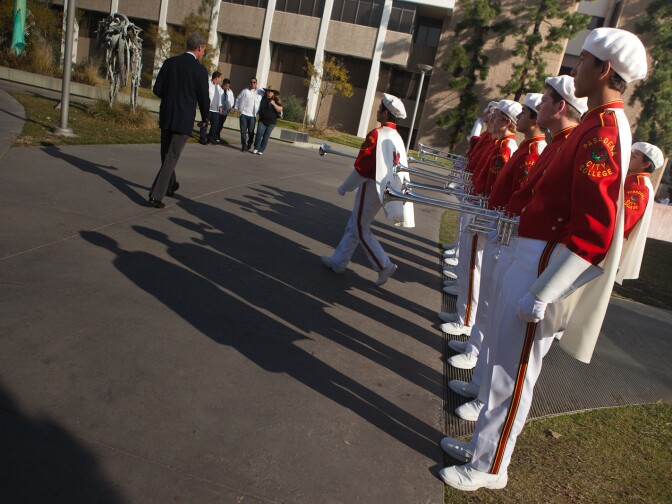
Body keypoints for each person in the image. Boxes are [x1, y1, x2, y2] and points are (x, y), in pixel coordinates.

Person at [438, 28, 647, 491]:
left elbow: (594, 229)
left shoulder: (605, 133)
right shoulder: (595, 125)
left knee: (513, 376)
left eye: (584, 61)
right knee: (499, 368)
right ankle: (480, 449)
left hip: (544, 265)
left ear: (605, 70)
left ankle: (491, 468)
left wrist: (543, 292)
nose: (576, 70)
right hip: (531, 254)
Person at [321, 93, 412, 286]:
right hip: (384, 189)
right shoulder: (397, 137)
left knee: (360, 228)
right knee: (355, 224)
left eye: (380, 109)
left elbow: (364, 166)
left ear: (386, 113)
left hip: (372, 186)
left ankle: (383, 265)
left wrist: (345, 186)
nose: (377, 112)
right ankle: (339, 261)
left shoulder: (377, 134)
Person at [148, 33, 209, 209]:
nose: (203, 52)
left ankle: (171, 184)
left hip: (167, 114)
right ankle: (156, 195)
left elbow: (157, 89)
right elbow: (203, 98)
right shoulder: (199, 70)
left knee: (166, 154)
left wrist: (170, 98)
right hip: (183, 119)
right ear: (199, 48)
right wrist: (205, 118)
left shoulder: (169, 63)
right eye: (204, 49)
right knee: (171, 156)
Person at [616, 141, 665, 283]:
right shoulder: (631, 179)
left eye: (634, 156)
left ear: (646, 164)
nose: (628, 156)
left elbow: (623, 221)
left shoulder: (638, 186)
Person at [234, 77, 263, 152]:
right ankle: (244, 146)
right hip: (244, 114)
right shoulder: (245, 91)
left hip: (252, 115)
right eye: (251, 82)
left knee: (251, 131)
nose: (253, 84)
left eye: (254, 82)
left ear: (256, 83)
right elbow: (238, 99)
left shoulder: (260, 92)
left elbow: (267, 97)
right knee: (243, 131)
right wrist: (236, 109)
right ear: (249, 83)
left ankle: (249, 143)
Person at [253, 87, 283, 155]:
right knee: (259, 134)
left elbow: (280, 109)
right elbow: (258, 89)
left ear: (273, 93)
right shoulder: (262, 98)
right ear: (266, 91)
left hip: (271, 123)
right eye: (268, 91)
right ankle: (256, 147)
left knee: (266, 137)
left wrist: (274, 104)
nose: (270, 92)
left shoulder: (276, 100)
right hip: (262, 120)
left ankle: (261, 150)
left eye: (271, 91)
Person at [199, 71, 223, 145]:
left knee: (215, 124)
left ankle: (210, 137)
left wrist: (220, 106)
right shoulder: (208, 84)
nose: (220, 80)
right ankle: (202, 138)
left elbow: (220, 98)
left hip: (215, 110)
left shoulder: (219, 87)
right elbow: (204, 94)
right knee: (205, 123)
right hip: (208, 108)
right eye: (220, 78)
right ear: (216, 77)